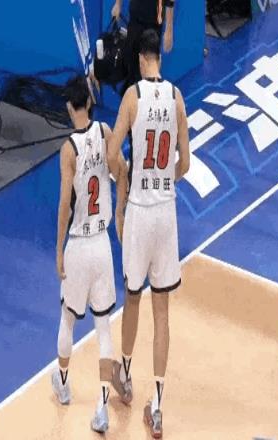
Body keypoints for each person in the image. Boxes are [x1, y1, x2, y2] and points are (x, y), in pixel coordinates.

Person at [107, 29, 189, 438]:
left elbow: (112, 155)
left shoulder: (132, 97)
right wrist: (163, 180)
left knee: (132, 297)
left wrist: (126, 179)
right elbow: (185, 164)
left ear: (141, 58)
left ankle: (124, 376)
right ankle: (157, 406)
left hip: (139, 212)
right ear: (159, 57)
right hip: (166, 213)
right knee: (162, 311)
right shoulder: (176, 97)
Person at [52, 75, 126, 434]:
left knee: (68, 318)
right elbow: (121, 171)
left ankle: (64, 383)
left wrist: (58, 250)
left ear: (70, 107)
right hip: (102, 244)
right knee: (104, 328)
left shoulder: (69, 149)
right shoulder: (106, 131)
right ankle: (102, 406)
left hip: (79, 245)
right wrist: (121, 210)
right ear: (90, 102)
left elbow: (65, 205)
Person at [111, 0, 175, 95]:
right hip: (135, 18)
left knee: (149, 68)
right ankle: (131, 95)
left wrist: (169, 29)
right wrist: (118, 4)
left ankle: (146, 96)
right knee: (131, 63)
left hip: (154, 23)